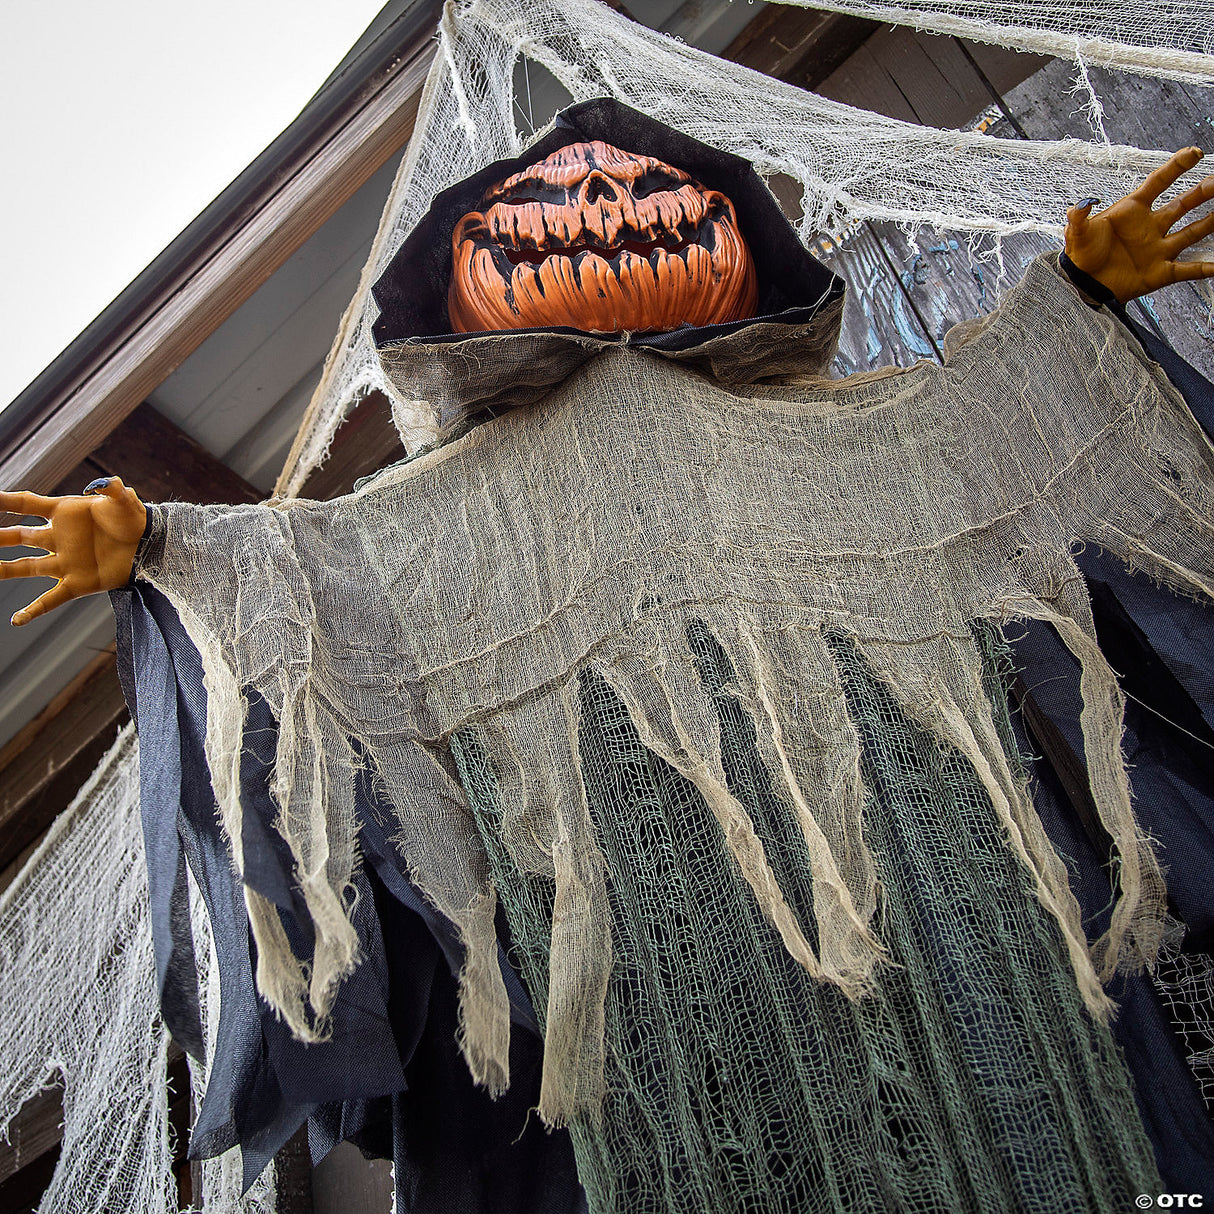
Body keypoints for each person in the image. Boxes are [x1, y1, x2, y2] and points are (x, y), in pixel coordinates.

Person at [3, 102, 1213, 1211]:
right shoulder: (431, 523)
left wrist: (1069, 308)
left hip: (916, 898)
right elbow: (305, 581)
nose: (596, 226)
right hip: (639, 975)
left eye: (631, 210)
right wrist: (159, 540)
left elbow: (981, 439)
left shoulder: (825, 442)